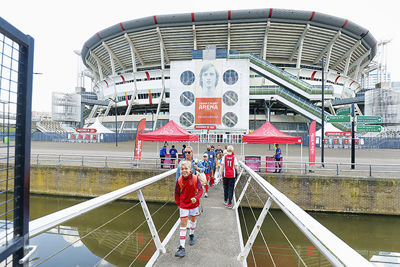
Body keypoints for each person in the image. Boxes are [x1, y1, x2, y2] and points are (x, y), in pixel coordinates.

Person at [174, 161, 203, 258]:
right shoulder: (179, 180)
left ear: (190, 169)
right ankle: (182, 247)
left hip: (194, 204)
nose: (184, 171)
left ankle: (191, 235)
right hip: (184, 204)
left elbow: (200, 190)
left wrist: (196, 198)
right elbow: (176, 193)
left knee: (193, 220)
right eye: (182, 169)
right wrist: (178, 204)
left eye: (186, 169)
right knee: (183, 224)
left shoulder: (194, 178)